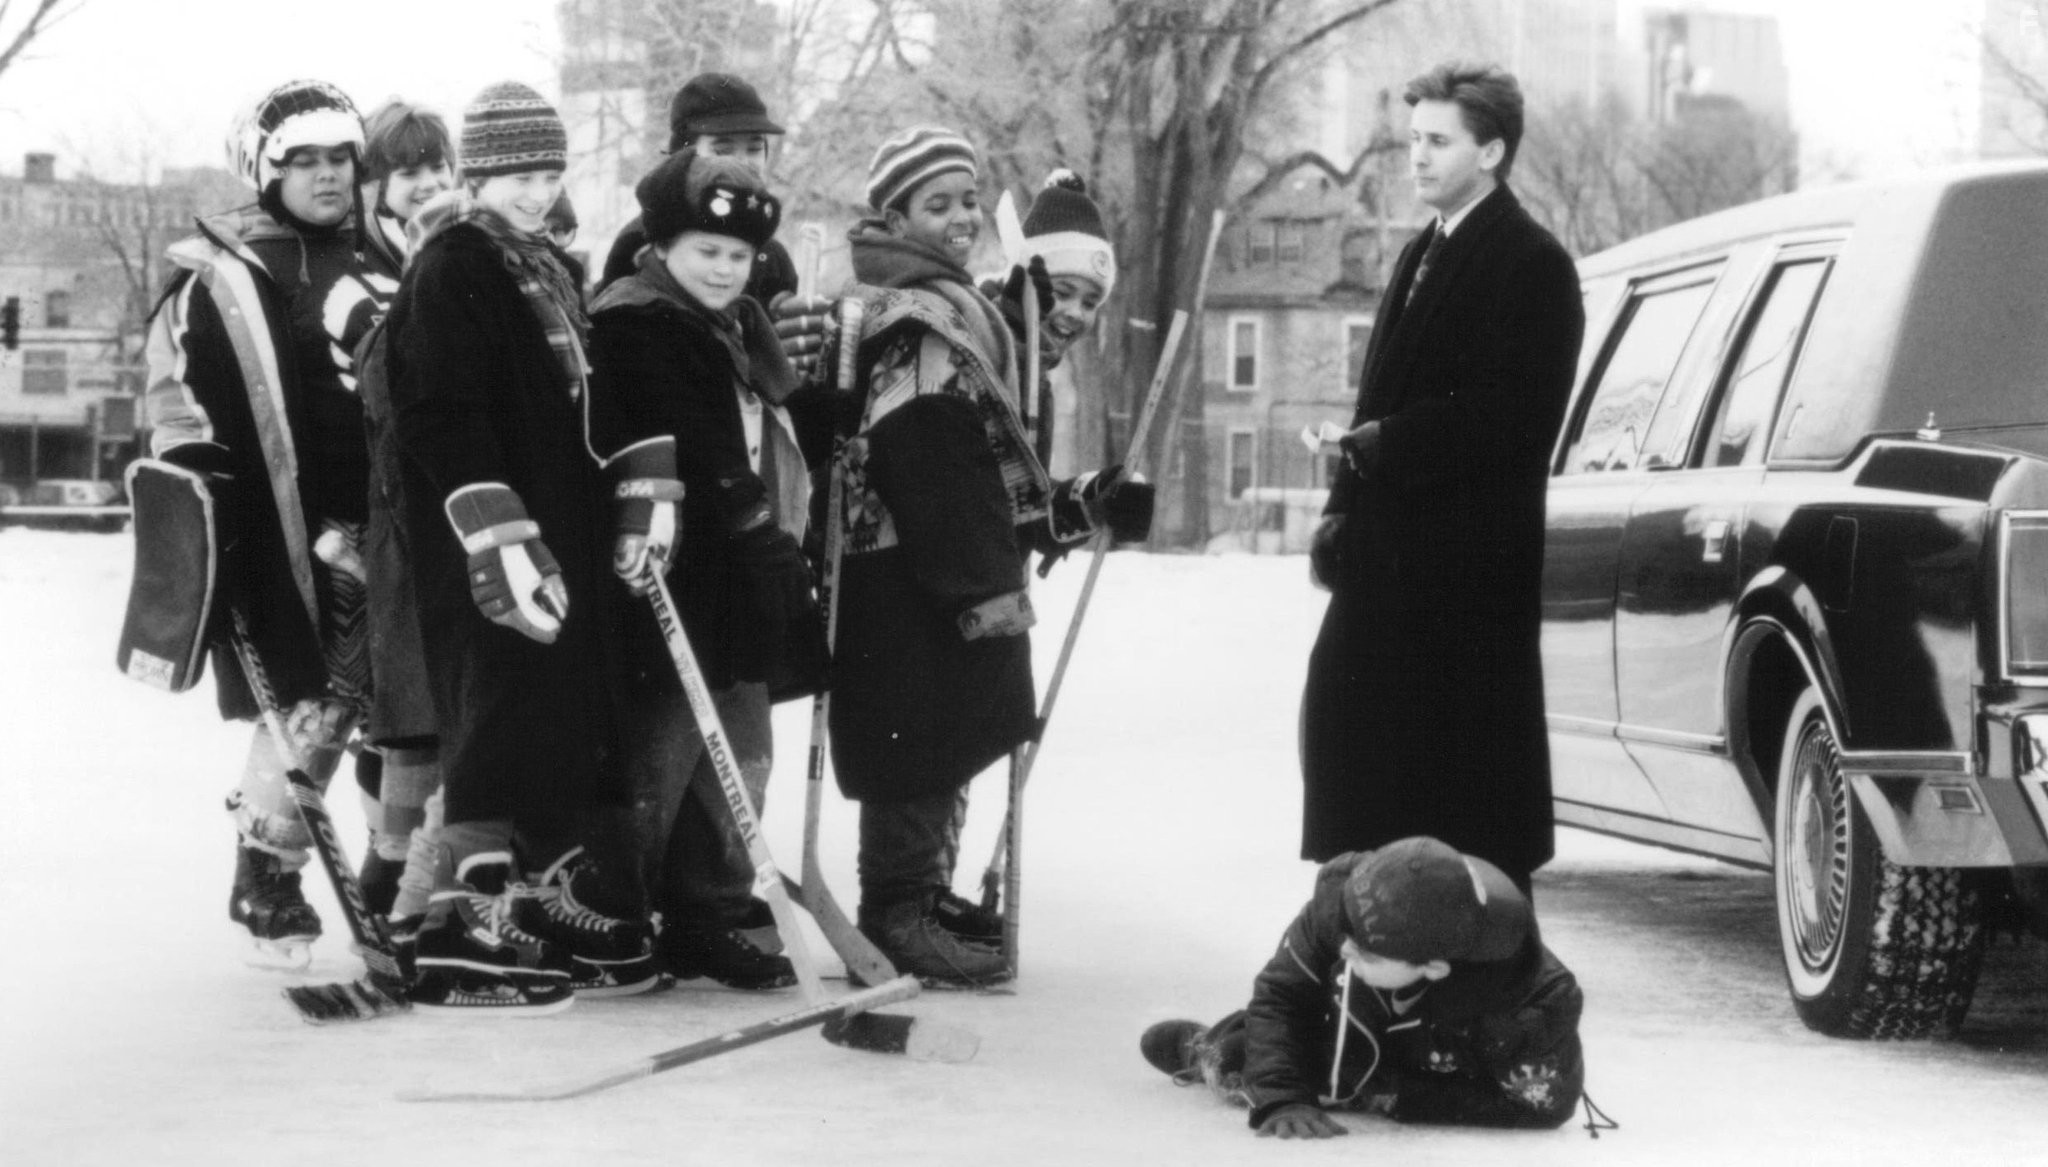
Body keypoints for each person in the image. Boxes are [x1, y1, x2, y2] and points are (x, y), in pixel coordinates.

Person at [828, 127, 1148, 985]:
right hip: (905, 572)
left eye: (970, 201)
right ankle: (898, 905)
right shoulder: (936, 318)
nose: (1077, 313)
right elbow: (926, 448)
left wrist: (1090, 505)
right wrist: (983, 587)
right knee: (919, 735)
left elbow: (1015, 493)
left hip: (941, 569)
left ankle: (922, 893)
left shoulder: (986, 330)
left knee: (949, 731)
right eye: (1067, 290)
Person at [385, 80, 654, 1012]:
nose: (537, 193)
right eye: (518, 177)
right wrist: (495, 529)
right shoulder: (454, 263)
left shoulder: (545, 265)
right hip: (491, 542)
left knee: (550, 709)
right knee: (497, 707)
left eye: (549, 173)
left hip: (562, 532)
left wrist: (636, 489)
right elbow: (437, 408)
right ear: (477, 174)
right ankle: (462, 918)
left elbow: (591, 405)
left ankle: (534, 900)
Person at [1299, 62, 1585, 890]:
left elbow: (1516, 417)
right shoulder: (1423, 250)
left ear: (1491, 151)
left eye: (1437, 141)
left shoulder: (1531, 263)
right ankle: (1364, 955)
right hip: (1386, 565)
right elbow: (1374, 395)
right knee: (1355, 757)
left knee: (1461, 806)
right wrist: (1342, 507)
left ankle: (1459, 979)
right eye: (1412, 139)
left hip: (1465, 580)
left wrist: (1390, 443)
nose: (1415, 158)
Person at [142, 79, 398, 964]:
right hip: (297, 529)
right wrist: (205, 490)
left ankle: (396, 875)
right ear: (264, 169)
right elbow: (175, 401)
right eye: (304, 161)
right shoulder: (221, 271)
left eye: (340, 158)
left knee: (407, 709)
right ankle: (268, 869)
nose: (328, 176)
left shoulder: (387, 255)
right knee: (315, 703)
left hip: (397, 524)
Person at [586, 151, 822, 991]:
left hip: (733, 575)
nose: (725, 269)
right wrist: (761, 531)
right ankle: (621, 906)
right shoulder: (638, 322)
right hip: (672, 567)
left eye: (740, 256)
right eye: (707, 252)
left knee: (741, 743)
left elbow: (776, 416)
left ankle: (710, 908)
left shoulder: (733, 322)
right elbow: (701, 445)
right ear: (661, 247)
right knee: (667, 742)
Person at [1139, 836, 1585, 1137]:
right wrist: (1281, 1098)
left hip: (1432, 1067)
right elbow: (1281, 995)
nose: (1346, 949)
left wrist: (1395, 1096)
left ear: (1433, 967)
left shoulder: (1536, 1000)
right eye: (1346, 932)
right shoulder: (1342, 910)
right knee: (1242, 1055)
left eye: (1367, 951)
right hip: (1341, 1025)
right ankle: (1205, 1049)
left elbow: (1544, 1105)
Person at [351, 98, 455, 928]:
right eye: (406, 172)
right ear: (376, 187)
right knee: (409, 723)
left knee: (441, 716)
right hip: (393, 526)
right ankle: (390, 888)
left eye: (435, 168)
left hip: (451, 521)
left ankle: (413, 886)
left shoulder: (458, 252)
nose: (424, 185)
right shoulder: (363, 279)